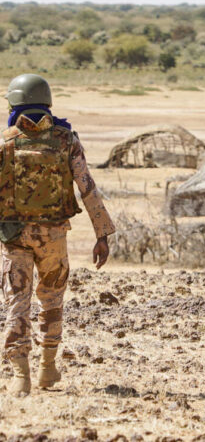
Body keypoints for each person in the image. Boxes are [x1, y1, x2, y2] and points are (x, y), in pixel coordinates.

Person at [1, 73, 115, 396]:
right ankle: (47, 369)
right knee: (51, 301)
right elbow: (87, 188)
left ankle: (19, 375)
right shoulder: (67, 140)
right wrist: (102, 234)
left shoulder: (5, 142)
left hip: (14, 236)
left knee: (16, 303)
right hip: (54, 238)